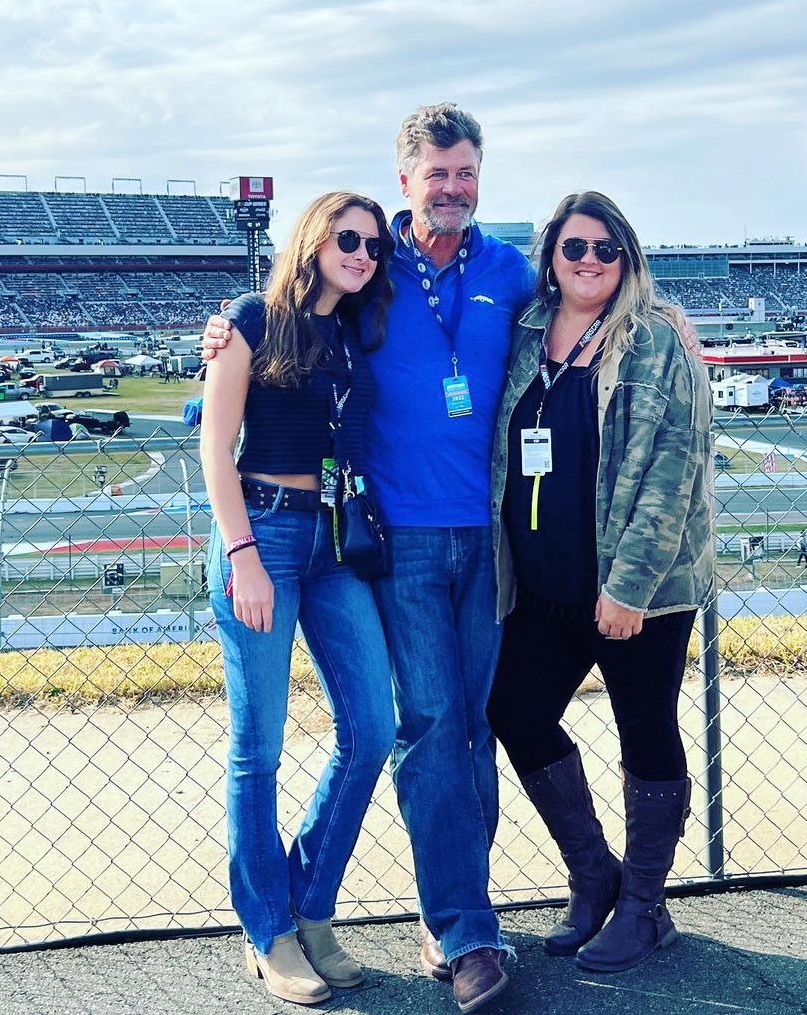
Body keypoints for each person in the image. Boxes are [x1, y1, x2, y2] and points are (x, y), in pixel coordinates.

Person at [204, 104, 535, 1014]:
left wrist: (667, 322)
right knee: (373, 731)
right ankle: (424, 928)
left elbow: (596, 297)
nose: (455, 188)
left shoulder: (507, 269)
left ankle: (417, 914)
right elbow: (227, 424)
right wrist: (241, 548)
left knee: (435, 728)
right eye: (438, 174)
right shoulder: (361, 277)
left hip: (443, 536)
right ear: (406, 182)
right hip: (356, 537)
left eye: (467, 172)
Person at [485, 191, 716, 973]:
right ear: (550, 254)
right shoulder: (524, 336)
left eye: (606, 249)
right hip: (545, 589)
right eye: (575, 248)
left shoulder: (655, 340)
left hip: (636, 589)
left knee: (644, 728)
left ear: (629, 258)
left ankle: (645, 907)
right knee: (513, 708)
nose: (590, 262)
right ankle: (595, 874)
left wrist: (629, 589)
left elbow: (672, 471)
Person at [200, 191, 397, 1006]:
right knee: (260, 748)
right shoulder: (251, 316)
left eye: (374, 246)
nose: (361, 253)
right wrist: (243, 553)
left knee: (372, 728)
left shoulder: (357, 330)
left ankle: (310, 907)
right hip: (263, 536)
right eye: (347, 238)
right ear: (314, 239)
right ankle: (267, 931)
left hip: (335, 542)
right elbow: (214, 446)